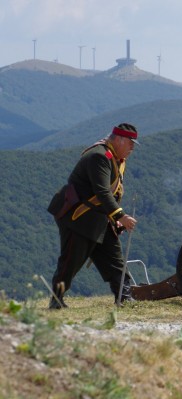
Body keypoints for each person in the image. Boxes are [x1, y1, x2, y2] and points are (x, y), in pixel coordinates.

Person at [46, 123, 140, 309]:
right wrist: (120, 216)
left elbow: (113, 194)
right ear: (119, 140)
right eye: (130, 143)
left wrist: (114, 219)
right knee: (70, 262)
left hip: (99, 218)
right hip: (78, 218)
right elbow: (103, 192)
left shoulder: (116, 159)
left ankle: (124, 297)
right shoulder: (100, 156)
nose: (132, 148)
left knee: (115, 260)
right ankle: (56, 301)